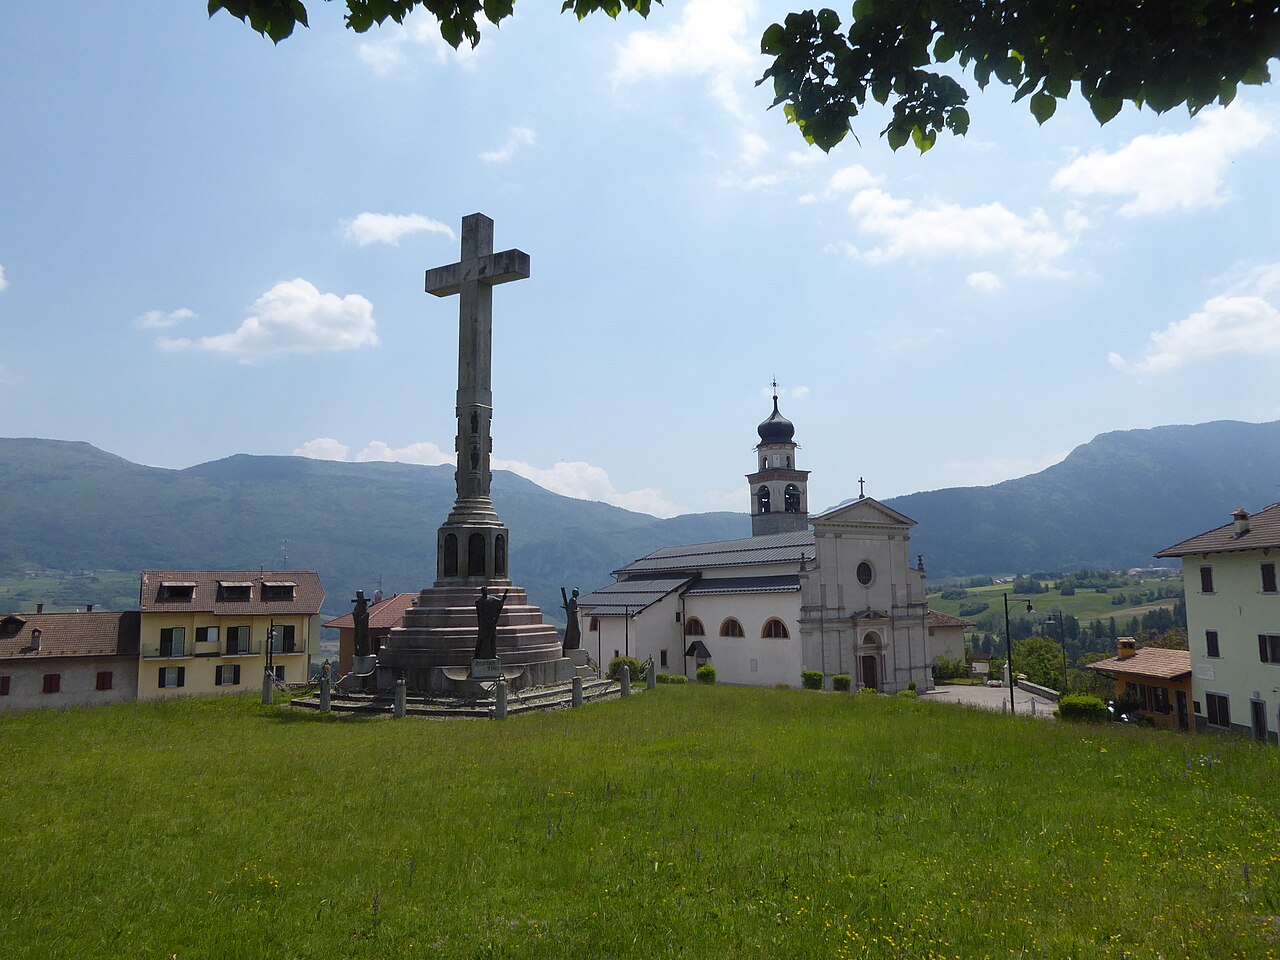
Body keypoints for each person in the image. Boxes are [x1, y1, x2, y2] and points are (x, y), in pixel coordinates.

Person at [474, 585, 508, 660]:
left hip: (491, 623)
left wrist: (503, 599)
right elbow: (481, 613)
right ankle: (476, 655)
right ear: (482, 592)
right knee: (480, 639)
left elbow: (499, 603)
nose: (485, 592)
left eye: (486, 590)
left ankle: (494, 654)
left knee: (493, 638)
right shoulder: (479, 601)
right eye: (483, 591)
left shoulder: (492, 599)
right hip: (484, 624)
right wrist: (488, 621)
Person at [560, 586, 581, 651]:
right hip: (573, 619)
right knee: (576, 632)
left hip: (573, 619)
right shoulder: (573, 600)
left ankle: (573, 645)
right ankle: (573, 645)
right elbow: (572, 610)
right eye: (577, 592)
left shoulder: (572, 600)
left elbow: (569, 608)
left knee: (575, 632)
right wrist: (578, 609)